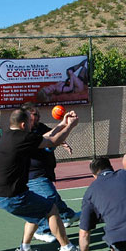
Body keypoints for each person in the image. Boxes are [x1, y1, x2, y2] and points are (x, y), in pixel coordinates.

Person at [0, 107, 81, 251]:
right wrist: (71, 126)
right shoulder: (22, 139)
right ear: (24, 125)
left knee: (33, 214)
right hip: (12, 195)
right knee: (51, 208)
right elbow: (54, 141)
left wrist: (62, 123)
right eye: (30, 122)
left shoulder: (8, 136)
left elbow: (42, 137)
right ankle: (67, 249)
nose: (33, 124)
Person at [25, 104, 80, 243]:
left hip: (44, 170)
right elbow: (48, 138)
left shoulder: (40, 127)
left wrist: (62, 139)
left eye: (38, 114)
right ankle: (41, 230)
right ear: (26, 116)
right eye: (34, 114)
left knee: (52, 196)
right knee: (48, 200)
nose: (38, 116)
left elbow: (53, 134)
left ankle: (67, 215)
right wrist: (68, 126)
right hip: (33, 175)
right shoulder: (25, 133)